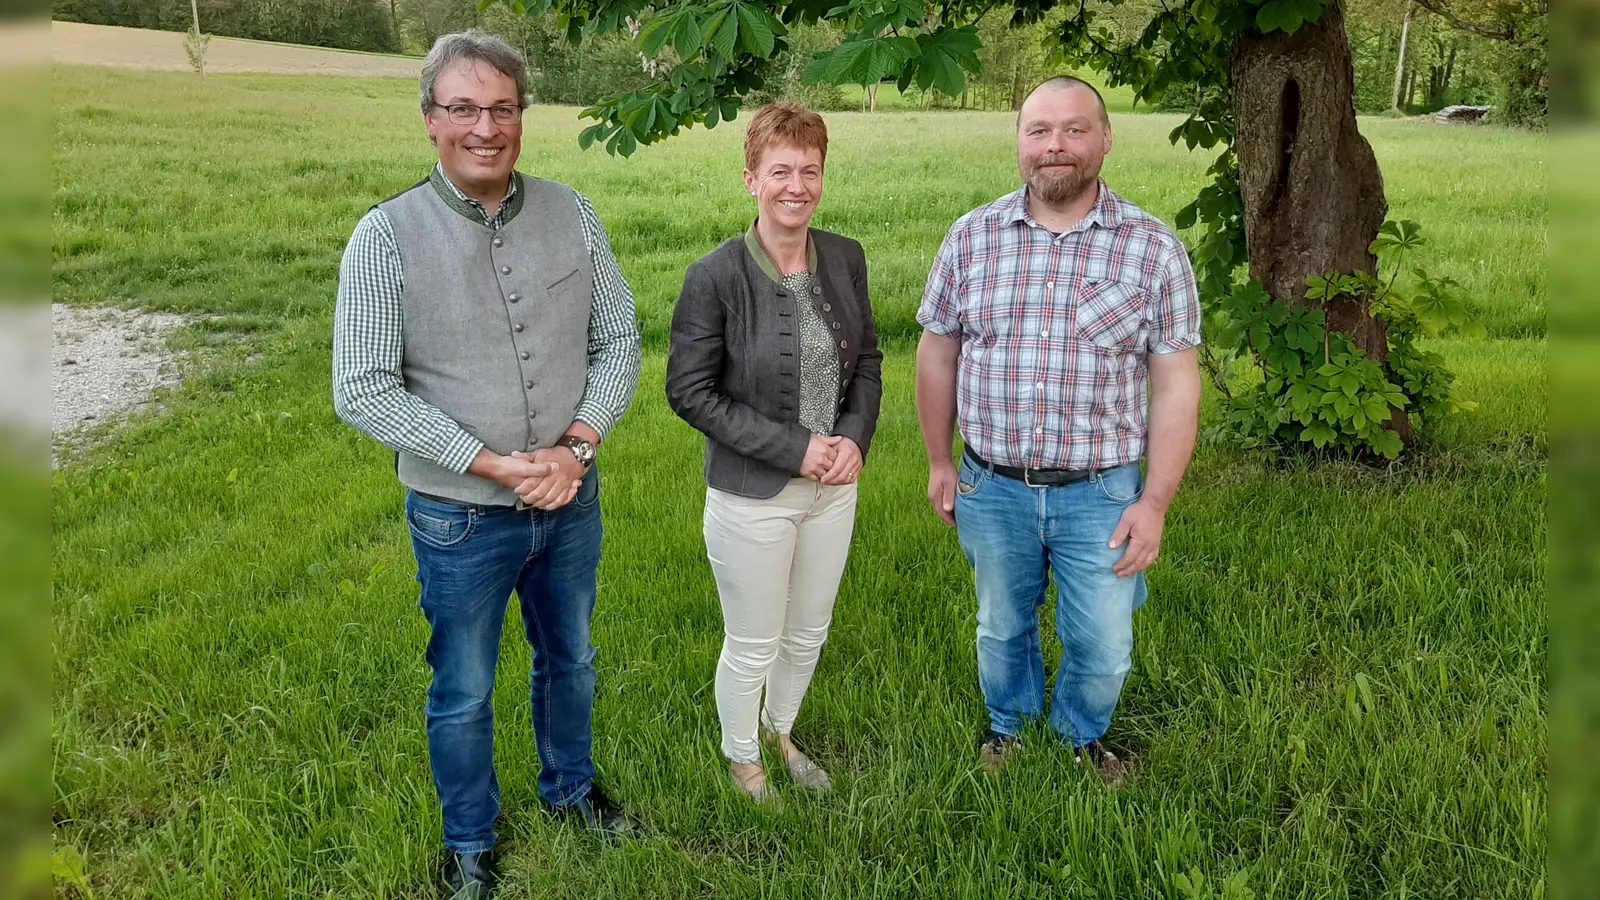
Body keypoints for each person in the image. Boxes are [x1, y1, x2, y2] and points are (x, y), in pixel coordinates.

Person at [331, 29, 641, 899]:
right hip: (459, 516)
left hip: (571, 502)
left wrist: (577, 444)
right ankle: (470, 843)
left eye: (501, 108)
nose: (485, 127)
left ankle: (572, 791)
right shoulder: (385, 236)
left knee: (570, 659)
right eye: (463, 108)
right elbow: (362, 387)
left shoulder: (570, 212)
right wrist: (497, 466)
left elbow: (617, 339)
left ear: (521, 119)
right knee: (464, 687)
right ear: (430, 119)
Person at [914, 76, 1202, 783]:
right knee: (1001, 627)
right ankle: (1008, 727)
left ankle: (1078, 735)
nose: (1055, 146)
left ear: (1105, 140)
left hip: (1102, 494)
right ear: (1019, 142)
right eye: (1039, 130)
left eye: (1074, 130)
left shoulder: (1152, 248)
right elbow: (937, 352)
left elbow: (1175, 383)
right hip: (992, 484)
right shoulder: (971, 237)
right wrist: (938, 460)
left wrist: (1155, 502)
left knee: (1103, 643)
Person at [665, 102, 883, 802]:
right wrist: (797, 450)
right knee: (754, 641)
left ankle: (781, 733)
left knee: (808, 632)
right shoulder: (715, 276)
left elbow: (871, 360)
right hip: (752, 496)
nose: (797, 185)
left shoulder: (846, 257)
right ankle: (742, 758)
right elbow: (690, 392)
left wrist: (852, 438)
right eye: (780, 170)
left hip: (835, 492)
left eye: (810, 170)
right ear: (751, 179)